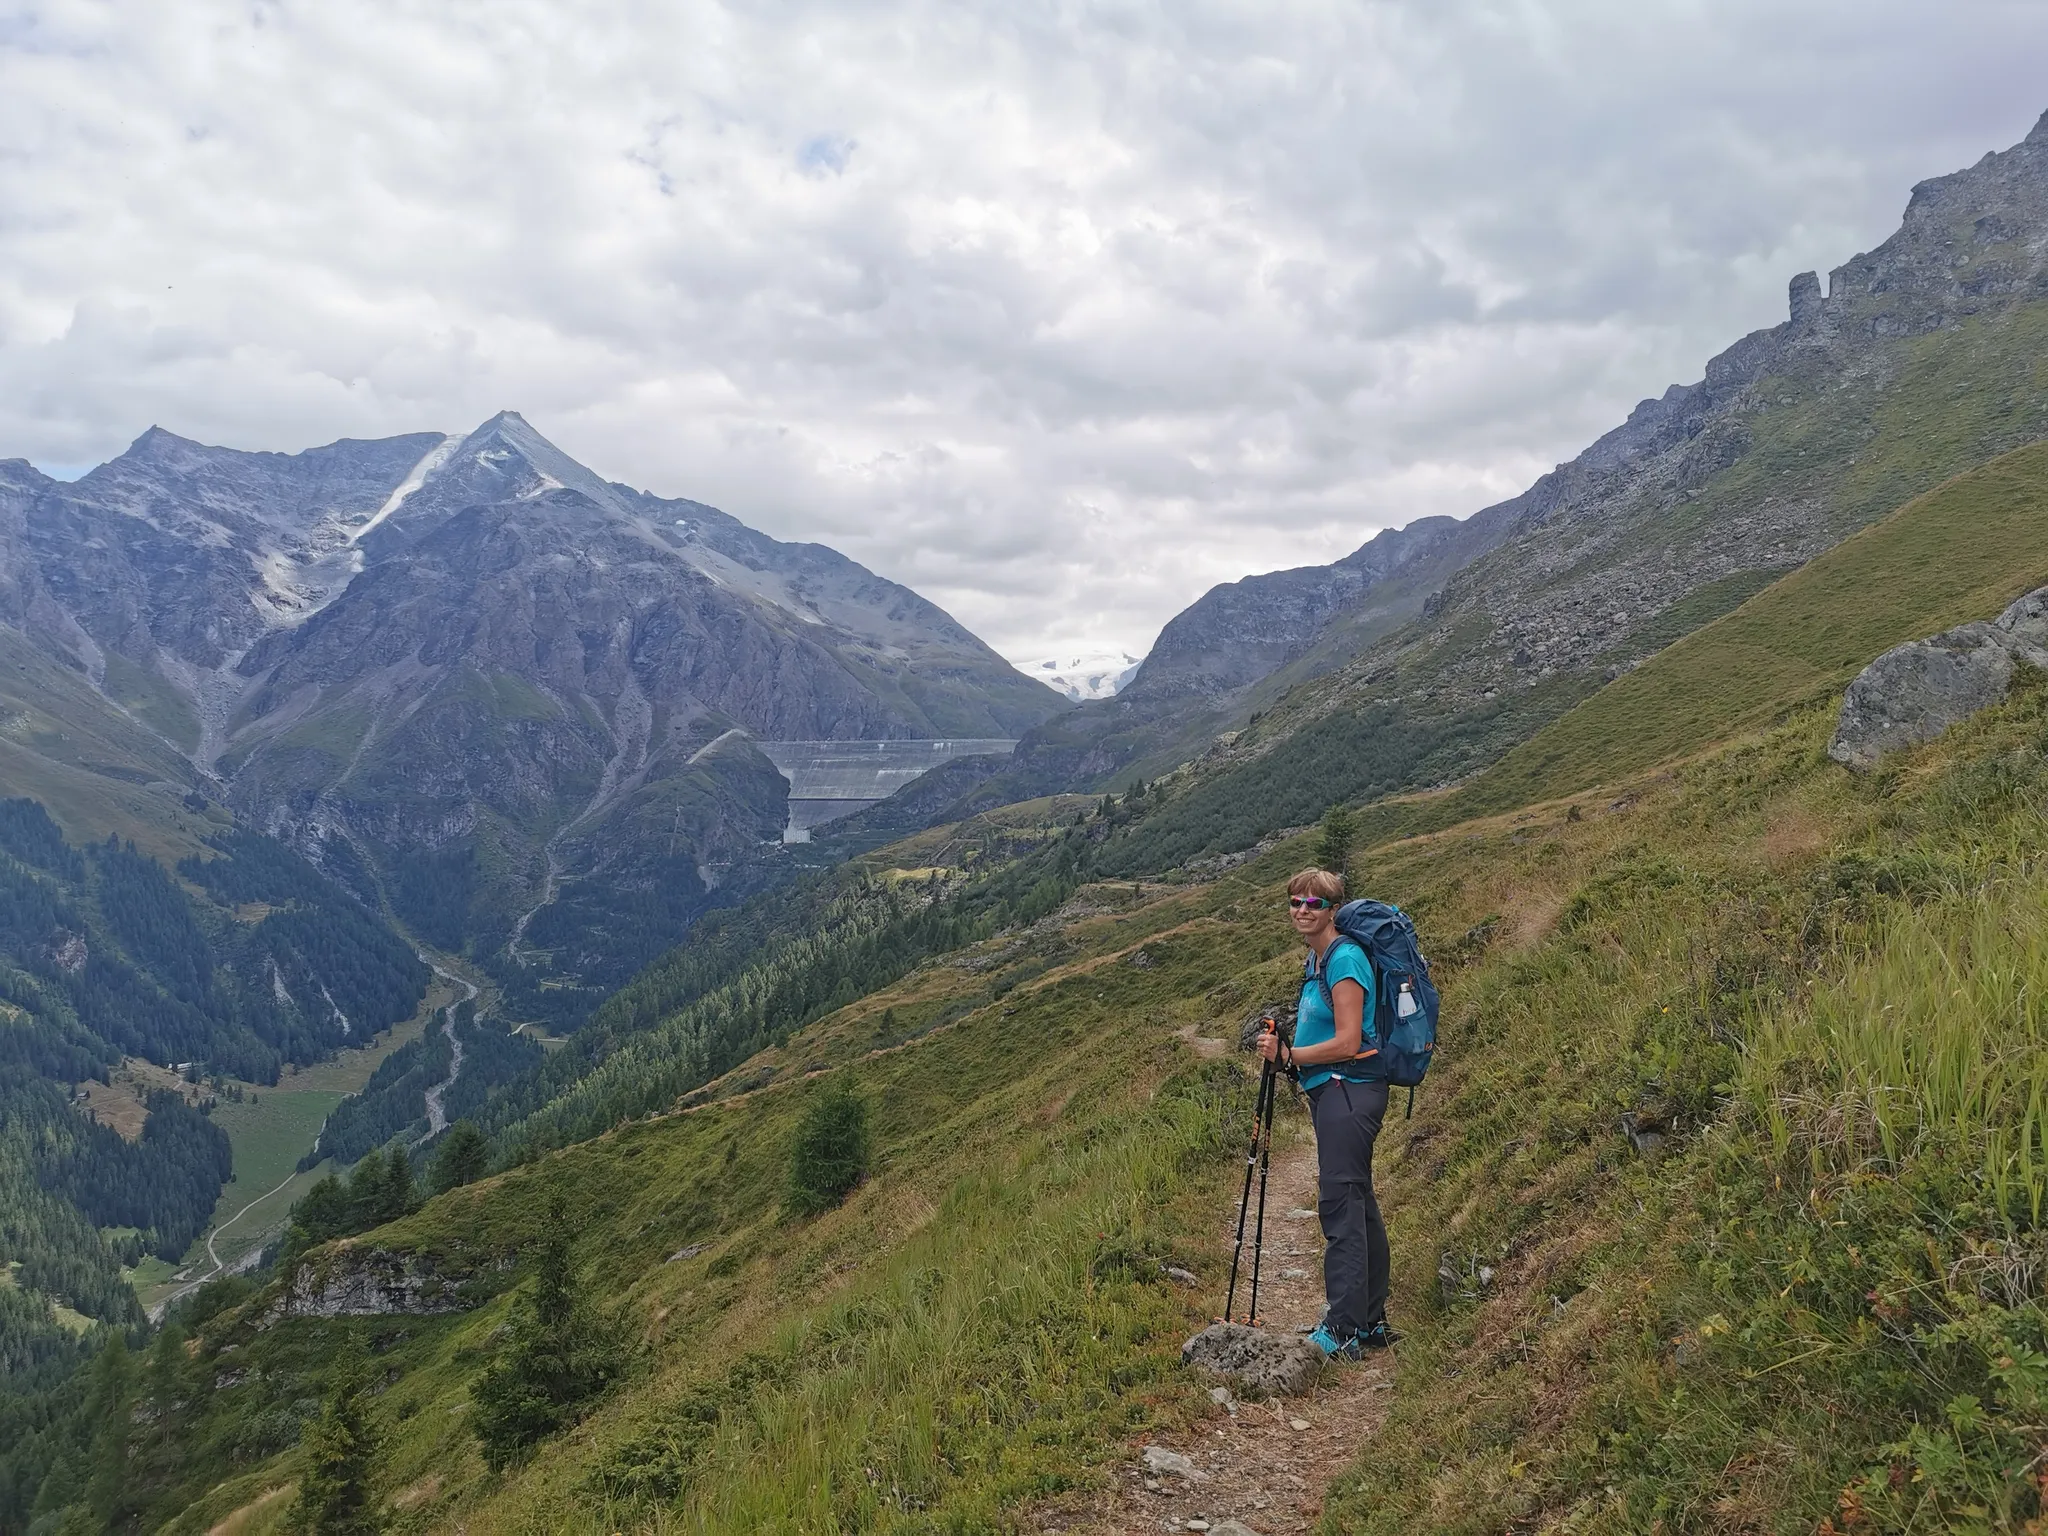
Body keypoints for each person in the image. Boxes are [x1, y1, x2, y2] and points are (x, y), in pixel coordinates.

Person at [1256, 866, 1398, 1358]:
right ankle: (1369, 1321)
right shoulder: (1317, 960)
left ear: (1333, 909)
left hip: (1349, 1091)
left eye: (1313, 904)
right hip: (1337, 1093)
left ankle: (1341, 1329)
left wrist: (1290, 1057)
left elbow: (1349, 1040)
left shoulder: (1344, 960)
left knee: (1339, 1206)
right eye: (1295, 902)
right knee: (1359, 1202)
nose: (1302, 911)